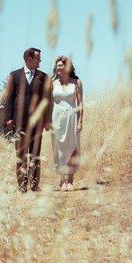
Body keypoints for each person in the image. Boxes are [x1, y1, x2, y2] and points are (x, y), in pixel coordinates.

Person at [3, 47, 52, 192]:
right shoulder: (15, 75)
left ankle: (35, 185)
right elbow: (9, 98)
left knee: (35, 154)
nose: (40, 61)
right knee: (21, 155)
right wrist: (8, 118)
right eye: (38, 58)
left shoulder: (44, 77)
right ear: (29, 59)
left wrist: (47, 119)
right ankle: (22, 186)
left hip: (37, 122)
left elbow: (47, 99)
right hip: (19, 121)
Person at [51, 55, 83, 191]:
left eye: (61, 65)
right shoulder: (52, 82)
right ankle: (62, 180)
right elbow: (46, 102)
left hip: (71, 116)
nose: (58, 67)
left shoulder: (76, 82)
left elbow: (81, 104)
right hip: (57, 118)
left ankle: (70, 179)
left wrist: (80, 121)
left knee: (72, 147)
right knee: (59, 149)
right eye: (57, 65)